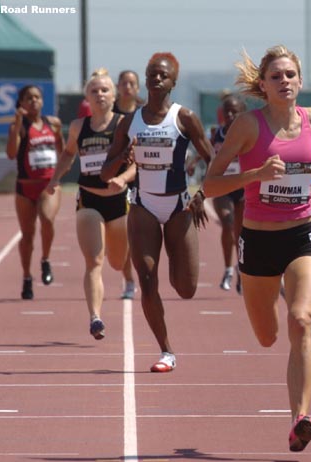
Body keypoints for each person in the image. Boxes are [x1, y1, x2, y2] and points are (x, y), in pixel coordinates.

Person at [202, 45, 311, 452]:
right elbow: (210, 185)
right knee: (267, 336)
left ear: (300, 80)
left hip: (301, 234)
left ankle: (300, 418)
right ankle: (295, 402)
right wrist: (256, 174)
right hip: (258, 241)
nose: (284, 82)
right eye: (276, 76)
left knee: (302, 320)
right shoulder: (246, 125)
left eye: (290, 75)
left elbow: (308, 166)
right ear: (263, 85)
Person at [100, 51, 212, 373]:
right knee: (147, 280)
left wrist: (202, 194)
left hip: (178, 207)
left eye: (163, 75)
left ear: (173, 82)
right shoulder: (129, 121)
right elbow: (107, 174)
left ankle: (176, 255)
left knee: (186, 289)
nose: (157, 78)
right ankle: (166, 351)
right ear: (146, 79)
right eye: (152, 73)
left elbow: (212, 160)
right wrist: (124, 153)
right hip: (143, 206)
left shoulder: (185, 118)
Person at [46, 68, 136, 340]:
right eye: (94, 90)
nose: (100, 95)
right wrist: (55, 179)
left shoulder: (125, 125)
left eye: (105, 90)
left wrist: (122, 178)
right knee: (93, 261)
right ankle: (95, 317)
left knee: (118, 262)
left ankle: (125, 276)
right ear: (87, 96)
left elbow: (137, 165)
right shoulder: (77, 127)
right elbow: (68, 155)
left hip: (118, 202)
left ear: (114, 94)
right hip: (89, 200)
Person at [6, 85, 64, 300]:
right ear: (21, 103)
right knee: (27, 235)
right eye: (28, 98)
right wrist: (18, 124)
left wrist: (59, 173)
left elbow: (64, 150)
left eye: (37, 97)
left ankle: (46, 260)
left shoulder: (54, 124)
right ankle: (27, 277)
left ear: (42, 101)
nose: (33, 101)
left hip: (48, 184)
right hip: (25, 187)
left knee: (47, 220)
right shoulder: (19, 127)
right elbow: (11, 153)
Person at [113, 69, 145, 299]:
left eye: (132, 83)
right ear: (118, 86)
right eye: (124, 83)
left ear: (138, 88)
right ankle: (129, 280)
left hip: (143, 176)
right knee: (123, 235)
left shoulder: (145, 113)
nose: (127, 87)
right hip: (116, 178)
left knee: (140, 235)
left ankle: (142, 276)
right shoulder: (110, 113)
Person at [212, 94, 246, 293]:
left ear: (243, 113)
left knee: (241, 234)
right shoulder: (218, 133)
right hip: (223, 186)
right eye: (227, 112)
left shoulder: (248, 133)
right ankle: (227, 269)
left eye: (235, 111)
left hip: (243, 186)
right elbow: (206, 151)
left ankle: (241, 270)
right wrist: (192, 163)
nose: (231, 115)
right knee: (227, 221)